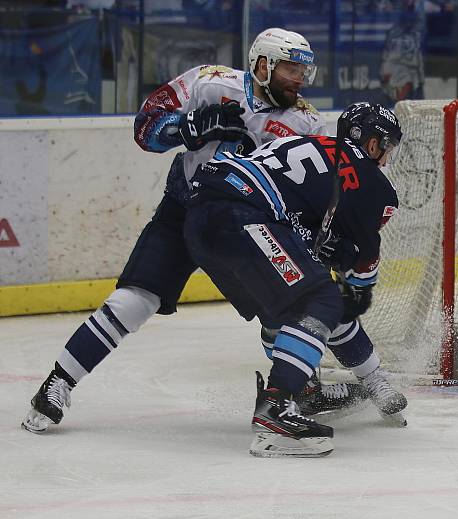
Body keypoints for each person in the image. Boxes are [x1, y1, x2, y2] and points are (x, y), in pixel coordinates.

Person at [21, 28, 339, 433]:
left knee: (288, 306)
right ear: (263, 64)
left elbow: (307, 192)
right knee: (134, 300)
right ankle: (57, 383)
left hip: (248, 227)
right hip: (185, 209)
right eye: (291, 68)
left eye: (304, 71)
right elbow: (145, 129)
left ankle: (301, 390)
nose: (299, 79)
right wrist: (186, 126)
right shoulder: (210, 82)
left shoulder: (307, 122)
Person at [183, 102, 405, 456]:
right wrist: (359, 289)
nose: (385, 158)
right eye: (385, 146)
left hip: (199, 220)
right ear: (371, 143)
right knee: (325, 301)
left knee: (281, 312)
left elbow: (297, 210)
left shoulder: (311, 150)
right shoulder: (366, 175)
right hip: (243, 216)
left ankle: (300, 391)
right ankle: (277, 411)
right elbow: (366, 253)